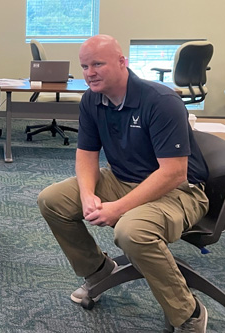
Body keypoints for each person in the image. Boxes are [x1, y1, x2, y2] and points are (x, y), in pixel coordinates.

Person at [37, 34, 210, 332]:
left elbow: (174, 173)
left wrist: (118, 208)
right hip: (121, 178)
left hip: (179, 190)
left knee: (132, 232)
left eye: (97, 64)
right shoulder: (92, 99)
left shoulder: (161, 102)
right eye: (84, 66)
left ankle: (189, 313)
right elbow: (86, 154)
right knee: (52, 200)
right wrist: (88, 192)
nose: (89, 72)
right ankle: (99, 270)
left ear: (122, 62)